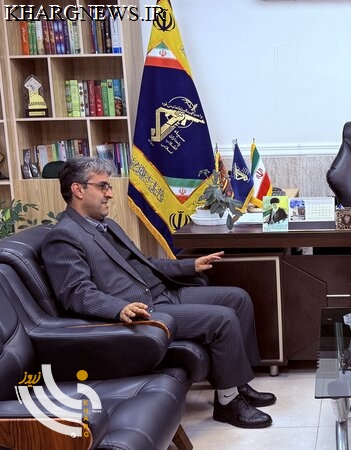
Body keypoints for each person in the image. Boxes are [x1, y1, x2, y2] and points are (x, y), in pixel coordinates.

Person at [41, 156, 276, 429]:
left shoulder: (107, 225)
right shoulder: (64, 236)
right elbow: (76, 293)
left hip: (163, 292)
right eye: (103, 186)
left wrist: (189, 266)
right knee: (222, 319)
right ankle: (228, 403)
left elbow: (145, 263)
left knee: (238, 298)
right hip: (145, 309)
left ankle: (237, 383)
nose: (110, 193)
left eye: (109, 186)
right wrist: (118, 309)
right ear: (78, 190)